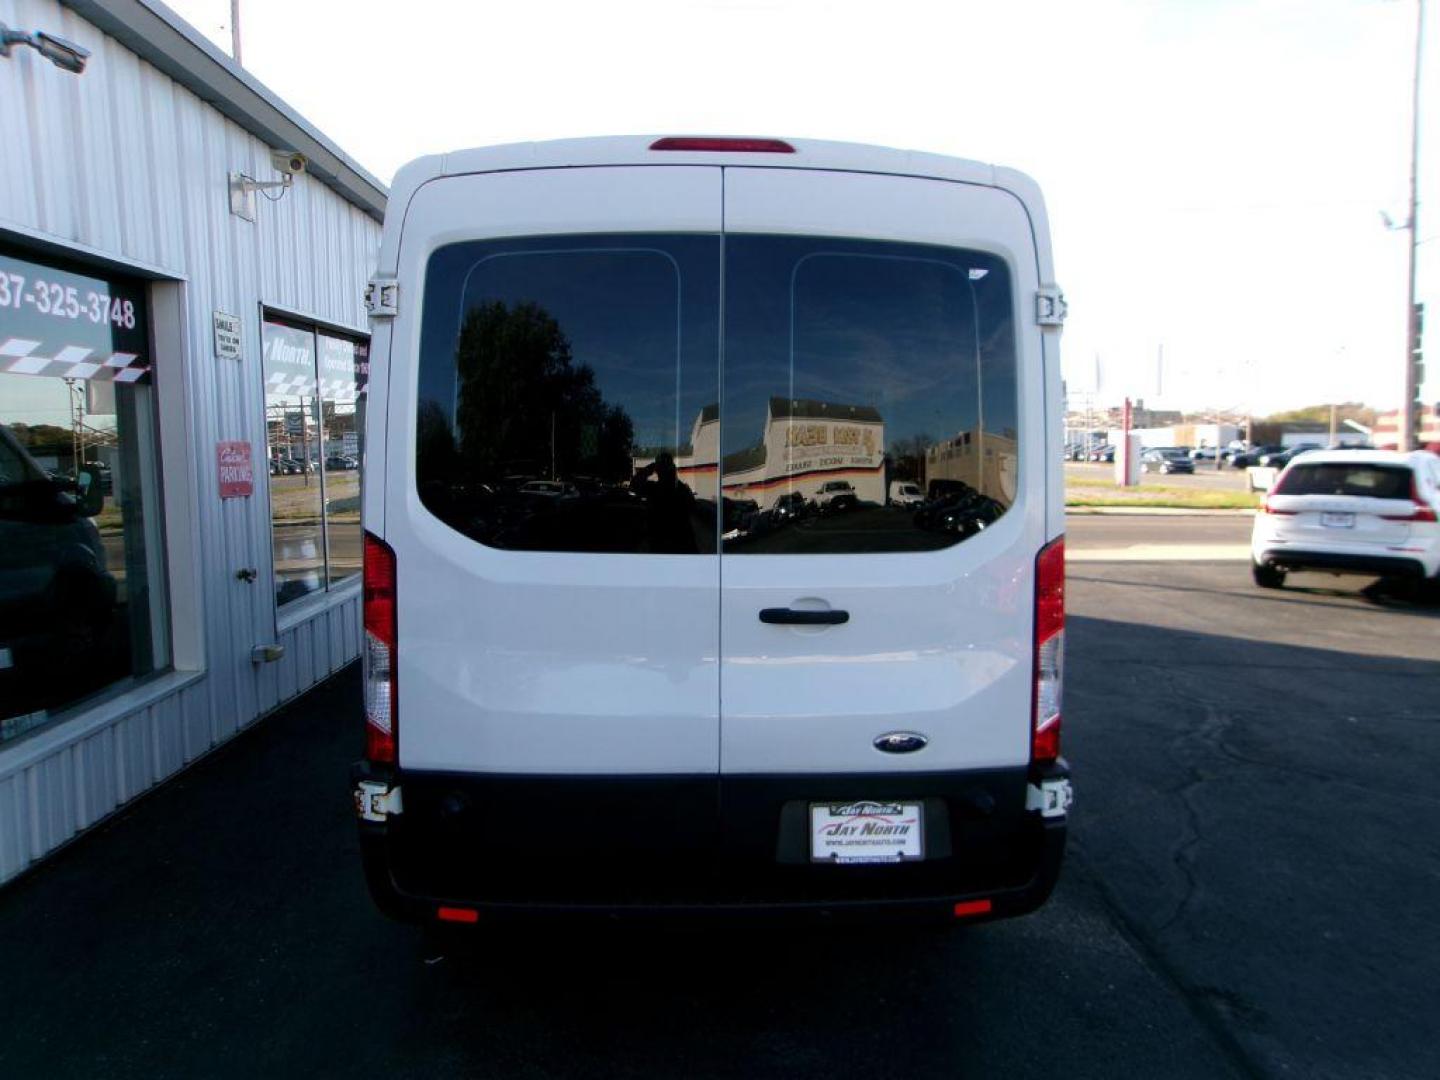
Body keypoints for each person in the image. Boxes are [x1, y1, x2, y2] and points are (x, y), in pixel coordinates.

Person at [631, 452, 698, 553]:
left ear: (657, 470)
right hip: (679, 545)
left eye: (661, 468)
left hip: (662, 545)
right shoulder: (683, 490)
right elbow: (693, 509)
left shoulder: (654, 489)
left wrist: (649, 468)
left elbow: (634, 484)